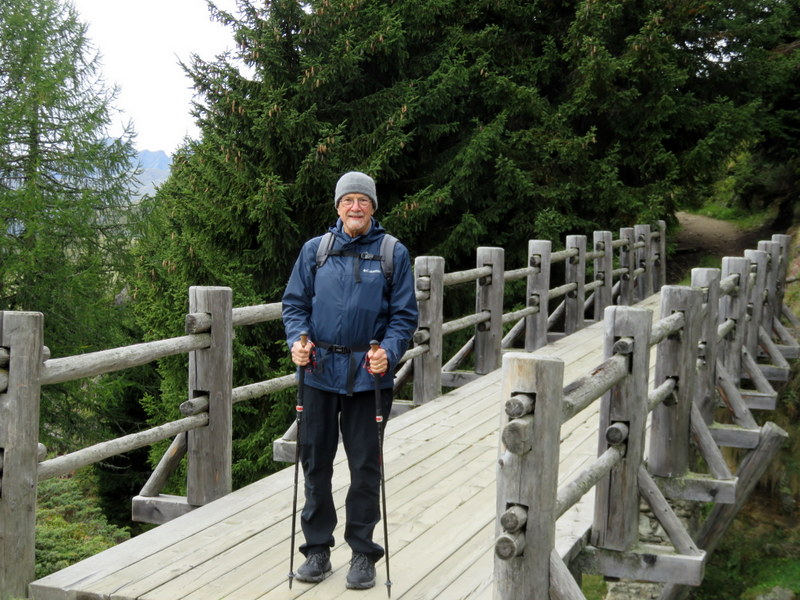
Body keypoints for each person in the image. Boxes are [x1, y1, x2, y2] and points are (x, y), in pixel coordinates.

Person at [282, 171, 418, 589]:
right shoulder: (314, 251)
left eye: (363, 200)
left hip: (368, 378)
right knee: (315, 464)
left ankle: (363, 554)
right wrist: (296, 341)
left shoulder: (392, 252)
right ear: (337, 206)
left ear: (373, 207)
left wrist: (388, 353)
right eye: (348, 201)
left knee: (365, 468)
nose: (355, 207)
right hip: (319, 373)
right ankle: (317, 551)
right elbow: (294, 304)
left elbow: (404, 317)